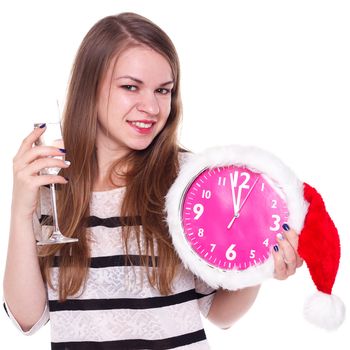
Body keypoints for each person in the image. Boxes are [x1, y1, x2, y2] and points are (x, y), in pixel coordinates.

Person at [3, 12, 303, 349]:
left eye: (163, 90)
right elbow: (27, 318)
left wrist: (258, 269)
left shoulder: (188, 181)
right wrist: (20, 209)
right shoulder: (51, 185)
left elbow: (220, 314)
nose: (151, 107)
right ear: (90, 87)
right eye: (130, 87)